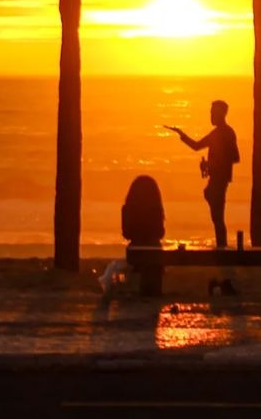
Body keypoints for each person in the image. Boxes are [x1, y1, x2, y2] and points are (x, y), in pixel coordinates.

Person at [167, 100, 240, 248]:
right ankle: (222, 247)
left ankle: (222, 247)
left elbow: (235, 157)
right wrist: (181, 134)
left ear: (220, 114)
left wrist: (212, 164)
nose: (211, 116)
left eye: (213, 113)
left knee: (218, 218)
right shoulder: (217, 133)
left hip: (220, 180)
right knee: (217, 217)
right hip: (216, 179)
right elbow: (196, 146)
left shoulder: (226, 133)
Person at [99, 175, 165, 299]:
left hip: (135, 252)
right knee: (154, 257)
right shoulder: (156, 208)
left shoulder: (127, 208)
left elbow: (126, 233)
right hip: (155, 252)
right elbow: (160, 233)